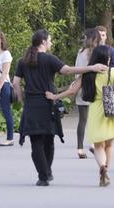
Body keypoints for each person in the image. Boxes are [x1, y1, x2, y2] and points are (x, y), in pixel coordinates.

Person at [13, 29, 108, 186]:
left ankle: (43, 176)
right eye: (49, 40)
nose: (51, 43)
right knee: (49, 140)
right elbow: (68, 70)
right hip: (47, 103)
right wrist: (91, 68)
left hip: (31, 104)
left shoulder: (23, 61)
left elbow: (16, 83)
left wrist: (22, 99)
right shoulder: (49, 59)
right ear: (43, 42)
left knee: (35, 142)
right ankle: (47, 172)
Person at [47, 45, 114, 187]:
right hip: (111, 111)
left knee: (98, 146)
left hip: (95, 110)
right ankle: (107, 170)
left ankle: (102, 166)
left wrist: (55, 96)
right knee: (109, 145)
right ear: (108, 58)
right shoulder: (113, 72)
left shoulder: (88, 73)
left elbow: (72, 91)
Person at [72, 28, 101, 158]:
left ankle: (79, 148)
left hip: (81, 86)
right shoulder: (97, 52)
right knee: (95, 119)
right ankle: (93, 144)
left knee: (82, 120)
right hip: (94, 88)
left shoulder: (81, 52)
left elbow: (76, 69)